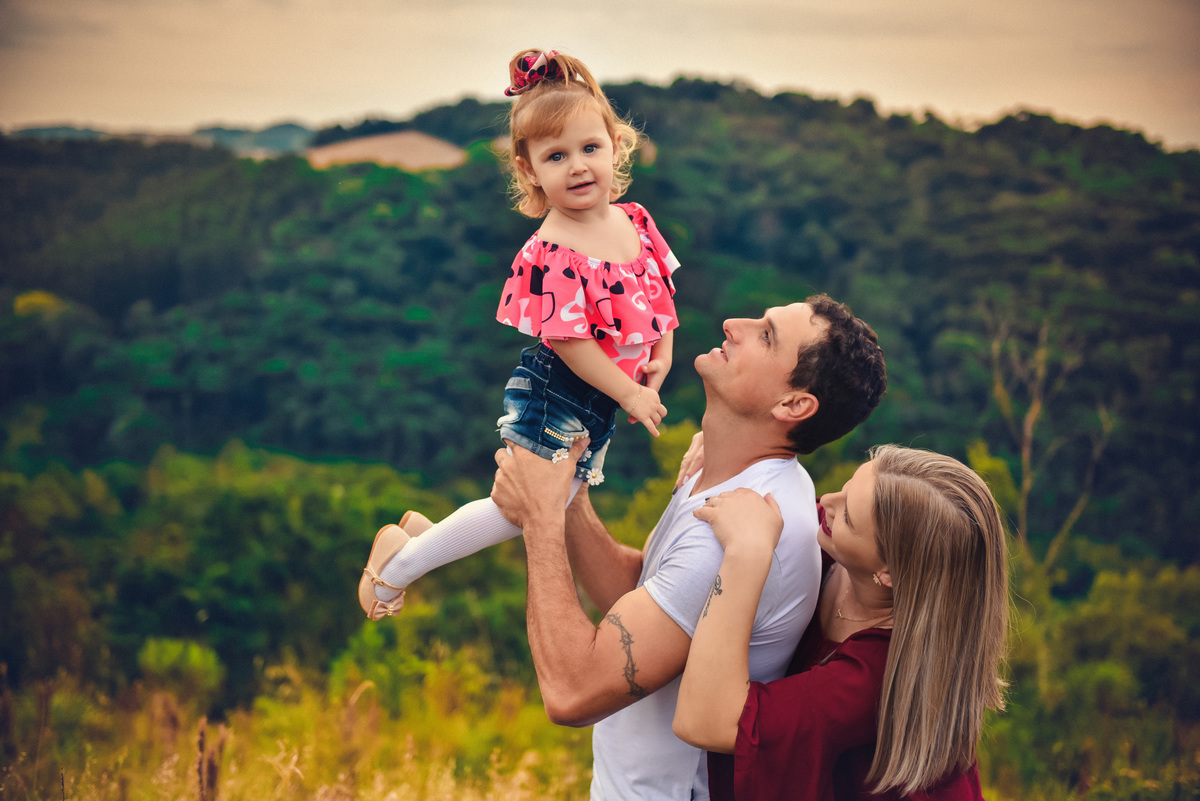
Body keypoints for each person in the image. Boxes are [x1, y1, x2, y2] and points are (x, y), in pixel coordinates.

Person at [491, 296, 887, 799]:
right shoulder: (729, 475)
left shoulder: (728, 535)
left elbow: (572, 693)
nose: (733, 324)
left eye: (766, 335)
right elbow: (643, 599)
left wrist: (540, 518)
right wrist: (570, 499)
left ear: (793, 405)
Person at [358, 49, 681, 619]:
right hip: (560, 391)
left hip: (603, 398)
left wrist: (661, 354)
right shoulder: (552, 250)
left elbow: (661, 294)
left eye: (590, 148)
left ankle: (425, 537)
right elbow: (571, 342)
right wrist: (629, 391)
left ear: (615, 145)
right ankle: (397, 565)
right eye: (556, 156)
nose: (578, 166)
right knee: (529, 506)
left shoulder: (635, 220)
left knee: (549, 500)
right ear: (529, 170)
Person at [673, 445, 1009, 800]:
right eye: (845, 489)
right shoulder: (839, 545)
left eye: (848, 516)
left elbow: (705, 722)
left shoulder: (874, 676)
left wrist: (747, 552)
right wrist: (728, 453)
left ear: (889, 573)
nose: (827, 502)